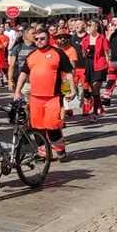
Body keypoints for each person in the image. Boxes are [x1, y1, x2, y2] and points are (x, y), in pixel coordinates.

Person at [14, 28, 77, 161]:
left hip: (53, 97)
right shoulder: (32, 55)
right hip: (35, 97)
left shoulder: (58, 53)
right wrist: (17, 91)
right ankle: (43, 152)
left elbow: (69, 73)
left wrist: (73, 89)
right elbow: (24, 74)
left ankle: (60, 149)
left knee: (52, 124)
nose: (39, 41)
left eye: (42, 38)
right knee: (37, 126)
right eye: (37, 39)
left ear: (48, 38)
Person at [81, 20, 109, 120]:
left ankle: (95, 112)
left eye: (90, 26)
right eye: (88, 26)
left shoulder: (102, 39)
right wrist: (84, 52)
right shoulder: (86, 39)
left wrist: (108, 67)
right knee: (92, 90)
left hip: (100, 64)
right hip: (89, 64)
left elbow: (106, 54)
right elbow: (84, 54)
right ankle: (99, 109)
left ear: (96, 27)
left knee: (95, 87)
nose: (88, 27)